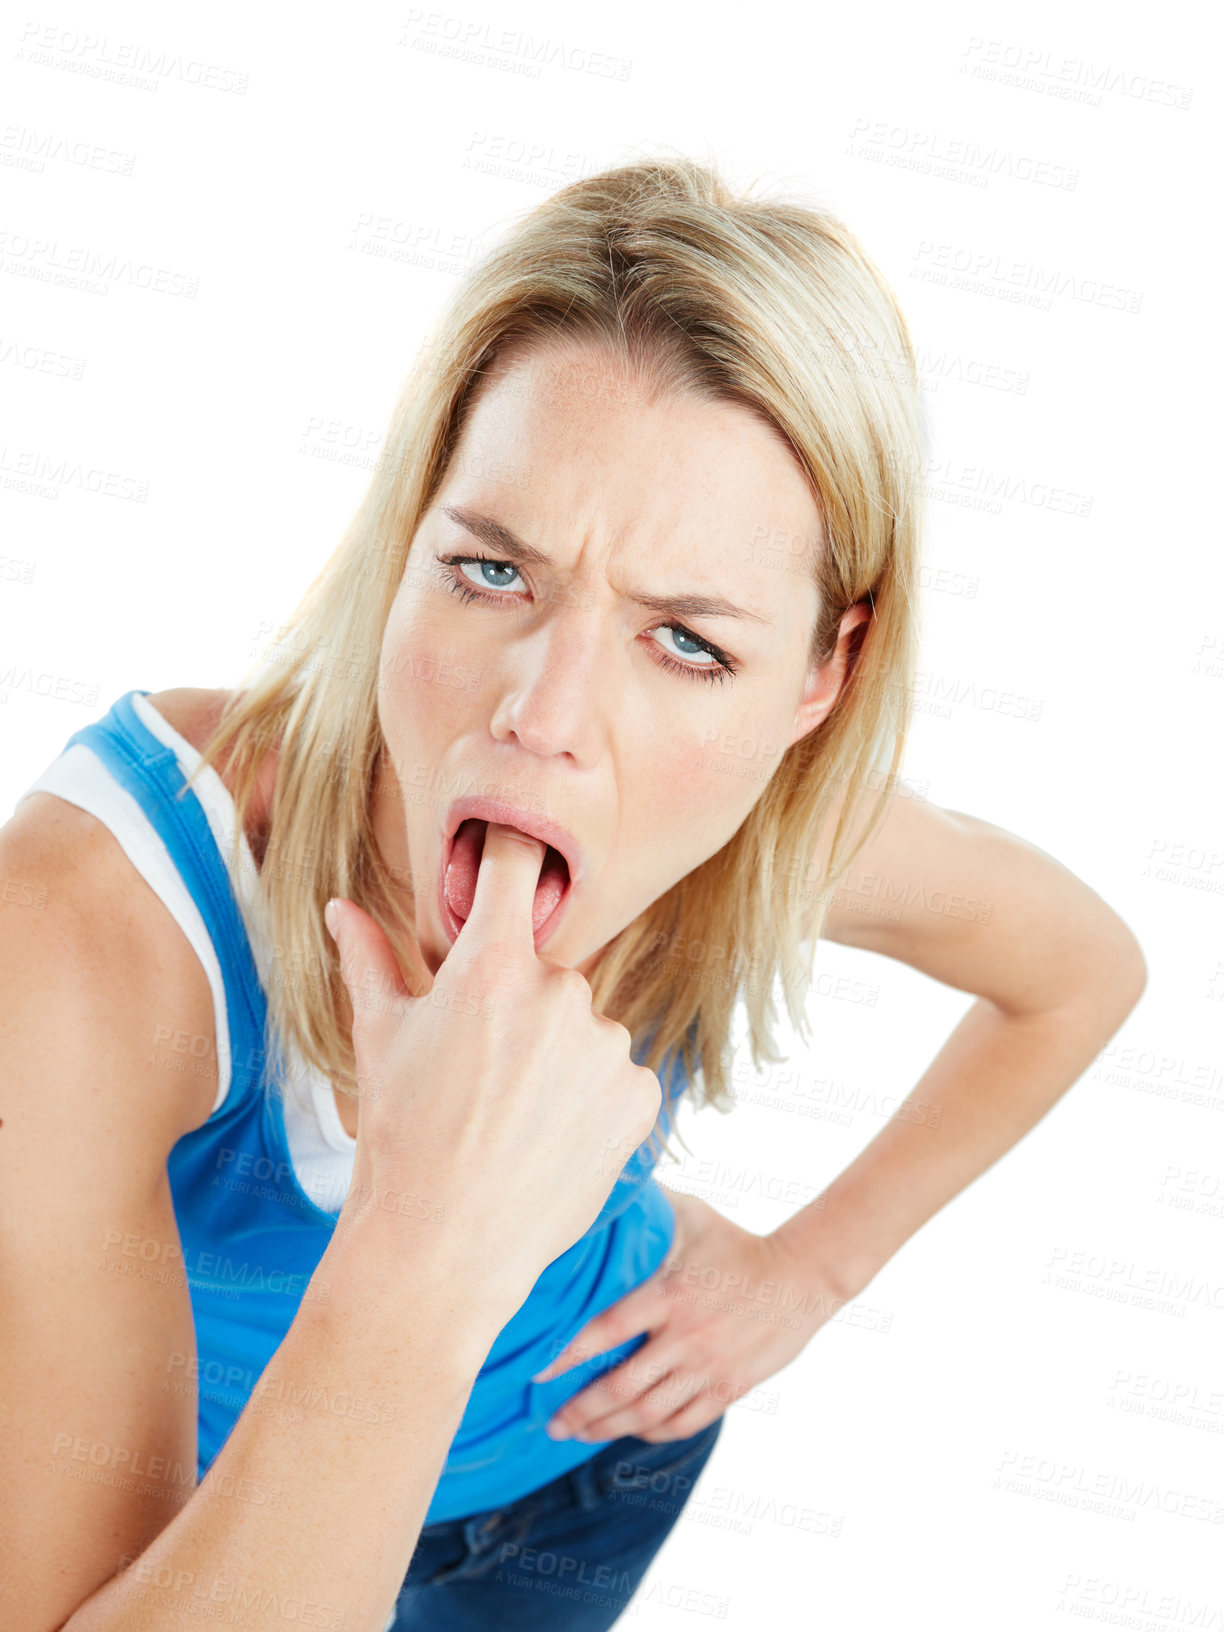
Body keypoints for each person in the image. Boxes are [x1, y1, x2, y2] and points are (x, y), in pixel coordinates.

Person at [0, 156, 1147, 1632]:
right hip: (227, 1532)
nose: (545, 713)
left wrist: (813, 1272)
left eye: (686, 643)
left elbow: (1080, 972)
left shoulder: (770, 829)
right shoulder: (86, 934)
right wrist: (425, 1238)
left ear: (820, 677)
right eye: (491, 572)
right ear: (408, 534)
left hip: (588, 1465)